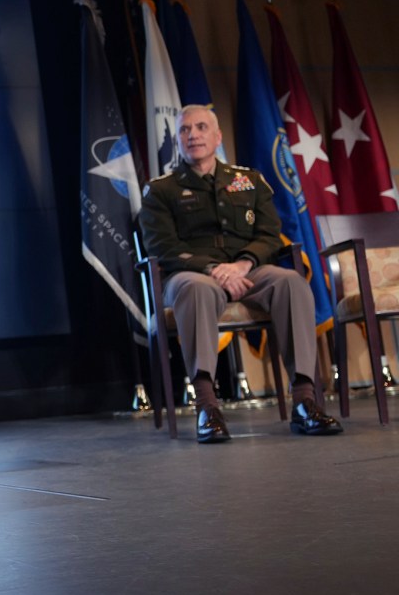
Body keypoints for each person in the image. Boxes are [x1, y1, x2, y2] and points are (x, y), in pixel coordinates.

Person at [138, 105, 342, 443]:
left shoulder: (249, 181)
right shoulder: (161, 190)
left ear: (217, 137)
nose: (193, 134)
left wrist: (243, 264)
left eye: (201, 127)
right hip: (191, 274)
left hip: (248, 271)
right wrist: (214, 269)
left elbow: (268, 234)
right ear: (178, 140)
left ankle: (305, 401)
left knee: (290, 282)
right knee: (197, 289)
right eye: (185, 130)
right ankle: (207, 406)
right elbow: (162, 247)